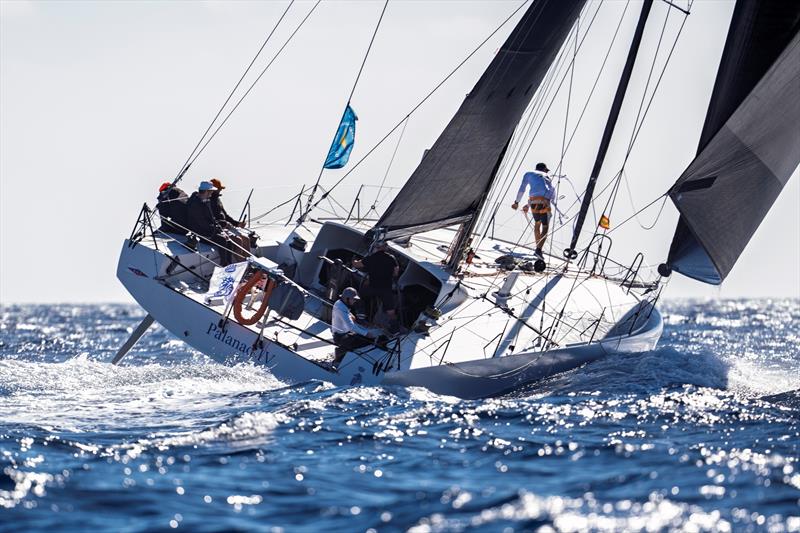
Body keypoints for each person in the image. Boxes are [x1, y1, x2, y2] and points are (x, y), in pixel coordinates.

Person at [352, 240, 400, 329]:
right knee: (391, 312)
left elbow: (357, 265)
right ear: (384, 248)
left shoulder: (371, 258)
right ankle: (395, 329)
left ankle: (361, 318)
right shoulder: (392, 258)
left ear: (376, 248)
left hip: (372, 287)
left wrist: (354, 260)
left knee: (359, 297)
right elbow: (396, 272)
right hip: (386, 289)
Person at [185, 181, 235, 265]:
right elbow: (203, 224)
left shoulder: (205, 201)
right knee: (222, 239)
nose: (212, 194)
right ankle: (224, 264)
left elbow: (211, 219)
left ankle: (229, 264)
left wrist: (221, 224)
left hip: (208, 230)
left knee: (229, 240)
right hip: (200, 233)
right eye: (211, 191)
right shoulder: (195, 204)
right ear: (207, 191)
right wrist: (219, 229)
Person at [511, 162, 555, 257]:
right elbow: (552, 191)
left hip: (534, 201)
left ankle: (537, 248)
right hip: (544, 201)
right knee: (545, 226)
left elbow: (522, 188)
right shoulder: (546, 176)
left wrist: (517, 202)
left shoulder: (528, 174)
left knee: (537, 223)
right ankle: (538, 250)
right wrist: (553, 201)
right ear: (544, 169)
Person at [330, 287, 376, 370]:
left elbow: (345, 312)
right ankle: (340, 356)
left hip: (341, 334)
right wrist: (367, 334)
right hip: (340, 337)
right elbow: (351, 326)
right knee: (367, 341)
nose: (354, 301)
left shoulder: (339, 303)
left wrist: (350, 314)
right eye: (353, 299)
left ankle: (342, 351)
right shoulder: (341, 308)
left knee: (360, 337)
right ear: (347, 299)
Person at [208, 178, 251, 259]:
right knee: (239, 240)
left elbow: (225, 215)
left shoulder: (217, 200)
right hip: (219, 227)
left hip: (227, 225)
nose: (221, 190)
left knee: (246, 239)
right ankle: (241, 263)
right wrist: (224, 224)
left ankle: (249, 262)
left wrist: (237, 223)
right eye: (219, 189)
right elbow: (211, 218)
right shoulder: (209, 201)